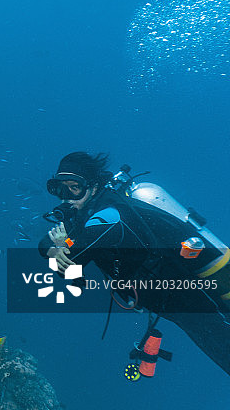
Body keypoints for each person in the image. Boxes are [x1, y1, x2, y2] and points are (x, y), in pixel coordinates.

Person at [38, 151, 230, 376]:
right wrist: (54, 250)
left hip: (192, 297)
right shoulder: (85, 215)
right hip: (170, 303)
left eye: (74, 188)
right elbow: (64, 265)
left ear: (93, 186)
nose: (66, 197)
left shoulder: (109, 217)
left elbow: (74, 259)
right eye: (59, 189)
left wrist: (59, 250)